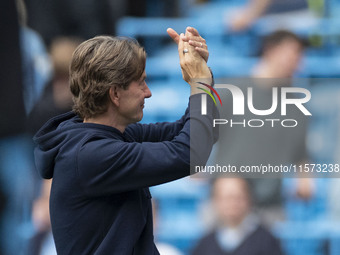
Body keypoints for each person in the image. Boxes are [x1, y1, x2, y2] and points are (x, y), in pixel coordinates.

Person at [33, 27, 218, 254]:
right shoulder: (92, 154)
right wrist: (199, 83)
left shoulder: (107, 137)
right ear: (115, 94)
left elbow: (200, 132)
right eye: (140, 82)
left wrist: (203, 77)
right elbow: (190, 153)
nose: (148, 92)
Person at [212, 30, 308, 225]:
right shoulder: (233, 90)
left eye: (299, 56)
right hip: (227, 202)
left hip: (270, 207)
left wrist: (305, 178)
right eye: (292, 54)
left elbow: (301, 153)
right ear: (270, 51)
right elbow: (201, 133)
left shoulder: (296, 105)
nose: (296, 63)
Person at [191, 178, 283, 255]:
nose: (232, 203)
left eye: (237, 197)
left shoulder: (267, 241)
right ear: (215, 201)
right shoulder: (205, 244)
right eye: (226, 198)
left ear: (249, 199)